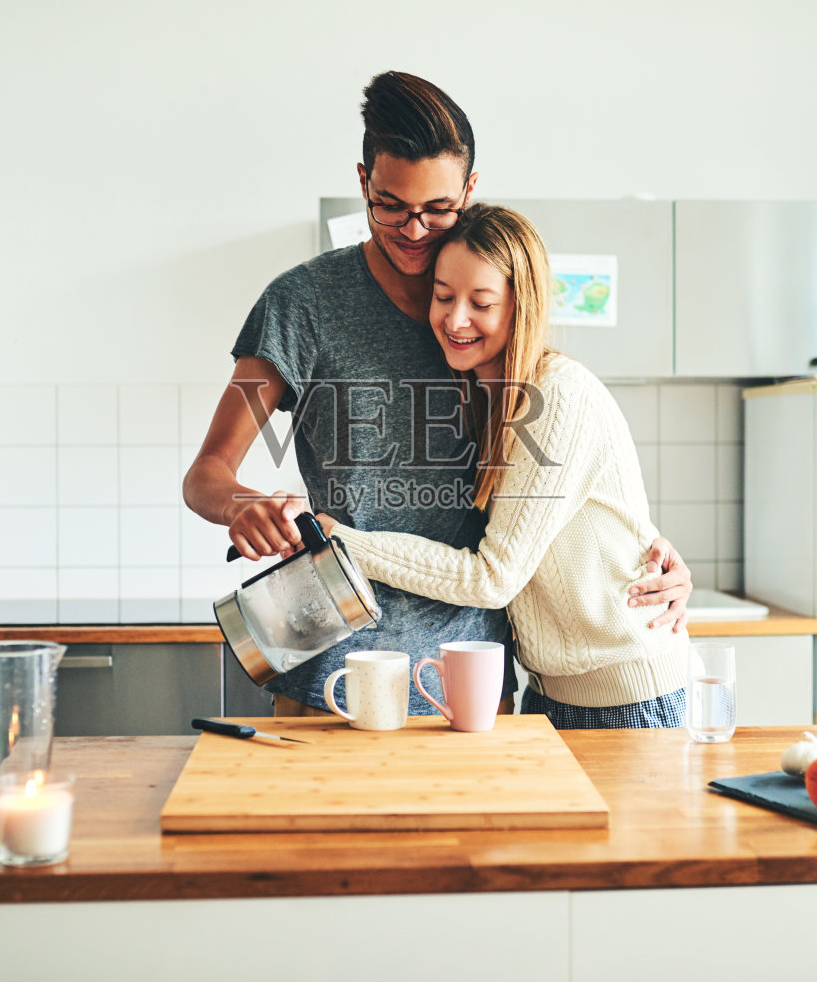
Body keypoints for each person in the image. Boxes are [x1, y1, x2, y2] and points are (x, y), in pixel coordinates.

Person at [182, 72, 690, 717]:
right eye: (391, 205)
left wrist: (648, 554)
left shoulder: (492, 323)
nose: (415, 229)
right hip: (334, 670)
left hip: (470, 677)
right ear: (363, 183)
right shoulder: (300, 306)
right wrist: (244, 505)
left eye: (438, 209)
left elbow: (556, 485)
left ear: (469, 192)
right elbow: (206, 474)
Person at [321, 204, 693, 728]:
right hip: (553, 693)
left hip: (630, 701)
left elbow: (493, 577)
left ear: (523, 305)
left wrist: (340, 541)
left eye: (482, 303)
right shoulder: (489, 400)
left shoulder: (557, 396)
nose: (455, 320)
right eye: (443, 296)